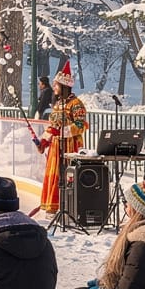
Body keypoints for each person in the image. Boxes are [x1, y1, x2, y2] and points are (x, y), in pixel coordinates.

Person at [37, 61, 87, 214]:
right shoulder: (58, 104)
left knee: (68, 175)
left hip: (71, 145)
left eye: (56, 85)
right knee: (54, 174)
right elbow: (53, 125)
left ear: (64, 86)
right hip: (55, 147)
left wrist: (63, 132)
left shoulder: (76, 104)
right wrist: (44, 140)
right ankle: (53, 205)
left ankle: (69, 206)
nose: (54, 88)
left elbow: (81, 125)